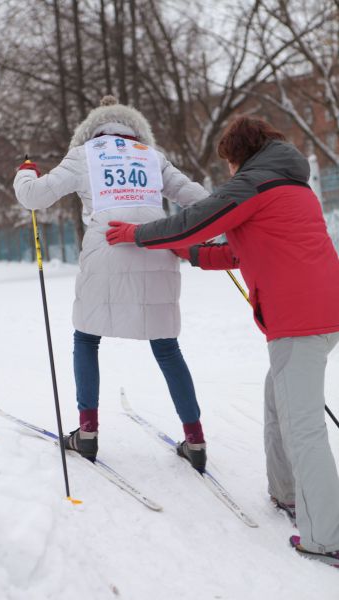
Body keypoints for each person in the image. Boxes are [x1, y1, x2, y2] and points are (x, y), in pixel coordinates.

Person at [106, 115, 339, 567]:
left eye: (228, 162)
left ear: (238, 155)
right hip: (321, 313)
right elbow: (236, 250)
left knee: (302, 425)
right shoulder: (292, 187)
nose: (229, 171)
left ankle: (326, 535)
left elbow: (194, 220)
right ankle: (289, 494)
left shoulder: (253, 183)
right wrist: (185, 253)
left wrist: (138, 234)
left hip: (299, 319)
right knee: (279, 400)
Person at [13, 96, 209, 471]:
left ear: (93, 128)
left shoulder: (84, 154)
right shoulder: (152, 156)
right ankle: (196, 438)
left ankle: (86, 433)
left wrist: (26, 171)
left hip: (106, 252)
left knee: (86, 337)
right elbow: (198, 199)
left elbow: (33, 197)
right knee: (167, 347)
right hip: (156, 247)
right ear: (135, 129)